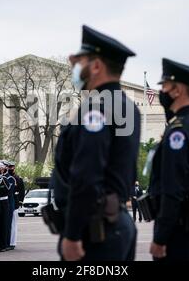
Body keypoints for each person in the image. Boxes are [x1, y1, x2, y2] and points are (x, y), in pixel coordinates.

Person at [51, 25, 140, 261]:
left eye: (80, 61)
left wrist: (72, 234)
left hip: (94, 233)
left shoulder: (95, 110)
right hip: (117, 224)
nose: (75, 68)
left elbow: (87, 176)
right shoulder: (127, 107)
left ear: (97, 65)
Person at [148, 58, 189, 261]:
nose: (162, 91)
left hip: (178, 228)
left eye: (165, 85)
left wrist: (160, 237)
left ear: (177, 90)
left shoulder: (179, 130)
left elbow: (173, 188)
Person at [10, 161, 25, 249]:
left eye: (12, 167)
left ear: (14, 168)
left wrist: (20, 202)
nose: (10, 169)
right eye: (9, 167)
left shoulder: (18, 178)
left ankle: (13, 242)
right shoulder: (6, 177)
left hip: (15, 203)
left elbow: (22, 192)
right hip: (8, 203)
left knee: (13, 224)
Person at [0, 162, 10, 252]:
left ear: (3, 170)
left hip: (3, 203)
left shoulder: (4, 179)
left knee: (3, 224)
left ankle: (3, 245)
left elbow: (8, 190)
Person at [4, 163, 16, 250]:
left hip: (8, 204)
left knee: (7, 225)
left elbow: (8, 191)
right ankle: (2, 243)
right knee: (2, 225)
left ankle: (7, 243)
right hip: (1, 204)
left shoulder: (10, 178)